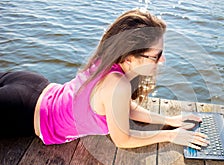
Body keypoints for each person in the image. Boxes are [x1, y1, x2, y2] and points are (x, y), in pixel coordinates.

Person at [0, 9, 209, 150]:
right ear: (129, 56)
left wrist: (169, 121)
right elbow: (123, 140)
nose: (162, 60)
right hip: (22, 111)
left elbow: (125, 109)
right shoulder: (117, 84)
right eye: (156, 55)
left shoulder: (112, 60)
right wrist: (170, 136)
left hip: (34, 86)